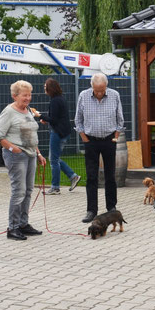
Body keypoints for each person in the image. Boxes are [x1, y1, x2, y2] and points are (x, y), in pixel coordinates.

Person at [0, 80, 46, 241]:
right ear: (15, 96)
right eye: (25, 95)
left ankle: (23, 224)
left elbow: (30, 135)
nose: (28, 98)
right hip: (16, 156)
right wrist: (12, 148)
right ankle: (13, 227)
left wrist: (39, 153)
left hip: (31, 154)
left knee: (28, 190)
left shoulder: (28, 110)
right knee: (19, 191)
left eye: (29, 94)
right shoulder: (8, 112)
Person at [75, 73, 124, 223]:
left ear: (106, 86)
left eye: (102, 90)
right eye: (97, 90)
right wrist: (84, 138)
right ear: (92, 87)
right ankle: (91, 210)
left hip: (109, 139)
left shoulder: (115, 95)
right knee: (91, 176)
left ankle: (111, 208)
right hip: (91, 141)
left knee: (110, 175)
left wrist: (116, 136)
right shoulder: (83, 96)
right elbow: (78, 119)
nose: (99, 93)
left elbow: (120, 118)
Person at [32, 78, 81, 195]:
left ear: (50, 88)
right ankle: (73, 176)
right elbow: (56, 118)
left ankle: (55, 187)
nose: (44, 89)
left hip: (57, 133)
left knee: (53, 160)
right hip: (63, 132)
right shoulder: (60, 99)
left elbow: (53, 119)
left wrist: (39, 115)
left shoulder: (55, 101)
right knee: (56, 158)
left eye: (45, 87)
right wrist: (46, 120)